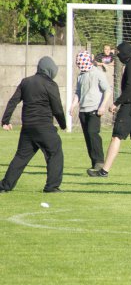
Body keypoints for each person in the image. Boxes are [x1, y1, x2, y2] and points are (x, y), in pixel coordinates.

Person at [87, 41, 131, 178]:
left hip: (130, 107)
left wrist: (116, 103)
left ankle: (104, 171)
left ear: (124, 52)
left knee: (116, 137)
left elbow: (130, 87)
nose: (117, 55)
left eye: (118, 52)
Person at [0, 57, 67, 193]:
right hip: (44, 127)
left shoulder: (26, 82)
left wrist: (5, 121)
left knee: (21, 157)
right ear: (50, 70)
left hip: (28, 128)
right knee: (55, 153)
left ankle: (5, 186)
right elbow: (57, 108)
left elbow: (13, 101)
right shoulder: (50, 84)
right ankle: (52, 186)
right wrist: (63, 124)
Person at [71, 50, 112, 171]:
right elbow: (78, 92)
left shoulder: (98, 73)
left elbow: (107, 90)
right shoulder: (80, 76)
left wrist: (102, 106)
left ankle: (100, 162)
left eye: (80, 63)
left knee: (93, 134)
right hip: (83, 111)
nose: (79, 65)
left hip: (94, 110)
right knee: (88, 137)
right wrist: (73, 105)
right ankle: (94, 163)